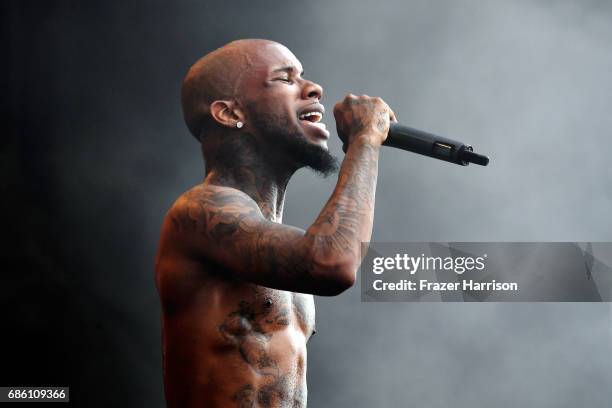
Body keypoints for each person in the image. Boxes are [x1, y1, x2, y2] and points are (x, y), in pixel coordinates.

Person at [155, 38, 396, 407]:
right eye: (285, 79)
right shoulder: (200, 211)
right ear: (229, 113)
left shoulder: (281, 240)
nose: (313, 88)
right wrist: (365, 140)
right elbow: (332, 262)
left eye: (303, 76)